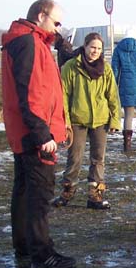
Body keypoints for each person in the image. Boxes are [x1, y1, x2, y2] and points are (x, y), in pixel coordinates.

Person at [1, 0, 76, 268]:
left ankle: (24, 245)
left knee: (23, 190)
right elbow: (32, 93)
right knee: (39, 194)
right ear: (41, 15)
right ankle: (42, 252)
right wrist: (43, 134)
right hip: (35, 134)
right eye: (56, 22)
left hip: (24, 131)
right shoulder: (29, 44)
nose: (58, 28)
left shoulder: (28, 42)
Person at [52, 32, 121, 210]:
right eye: (92, 47)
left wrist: (115, 120)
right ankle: (67, 191)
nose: (95, 51)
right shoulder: (70, 67)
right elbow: (64, 96)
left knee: (98, 159)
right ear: (85, 47)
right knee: (74, 158)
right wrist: (65, 121)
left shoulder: (106, 69)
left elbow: (112, 96)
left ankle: (95, 195)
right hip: (77, 120)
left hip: (100, 120)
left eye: (98, 48)